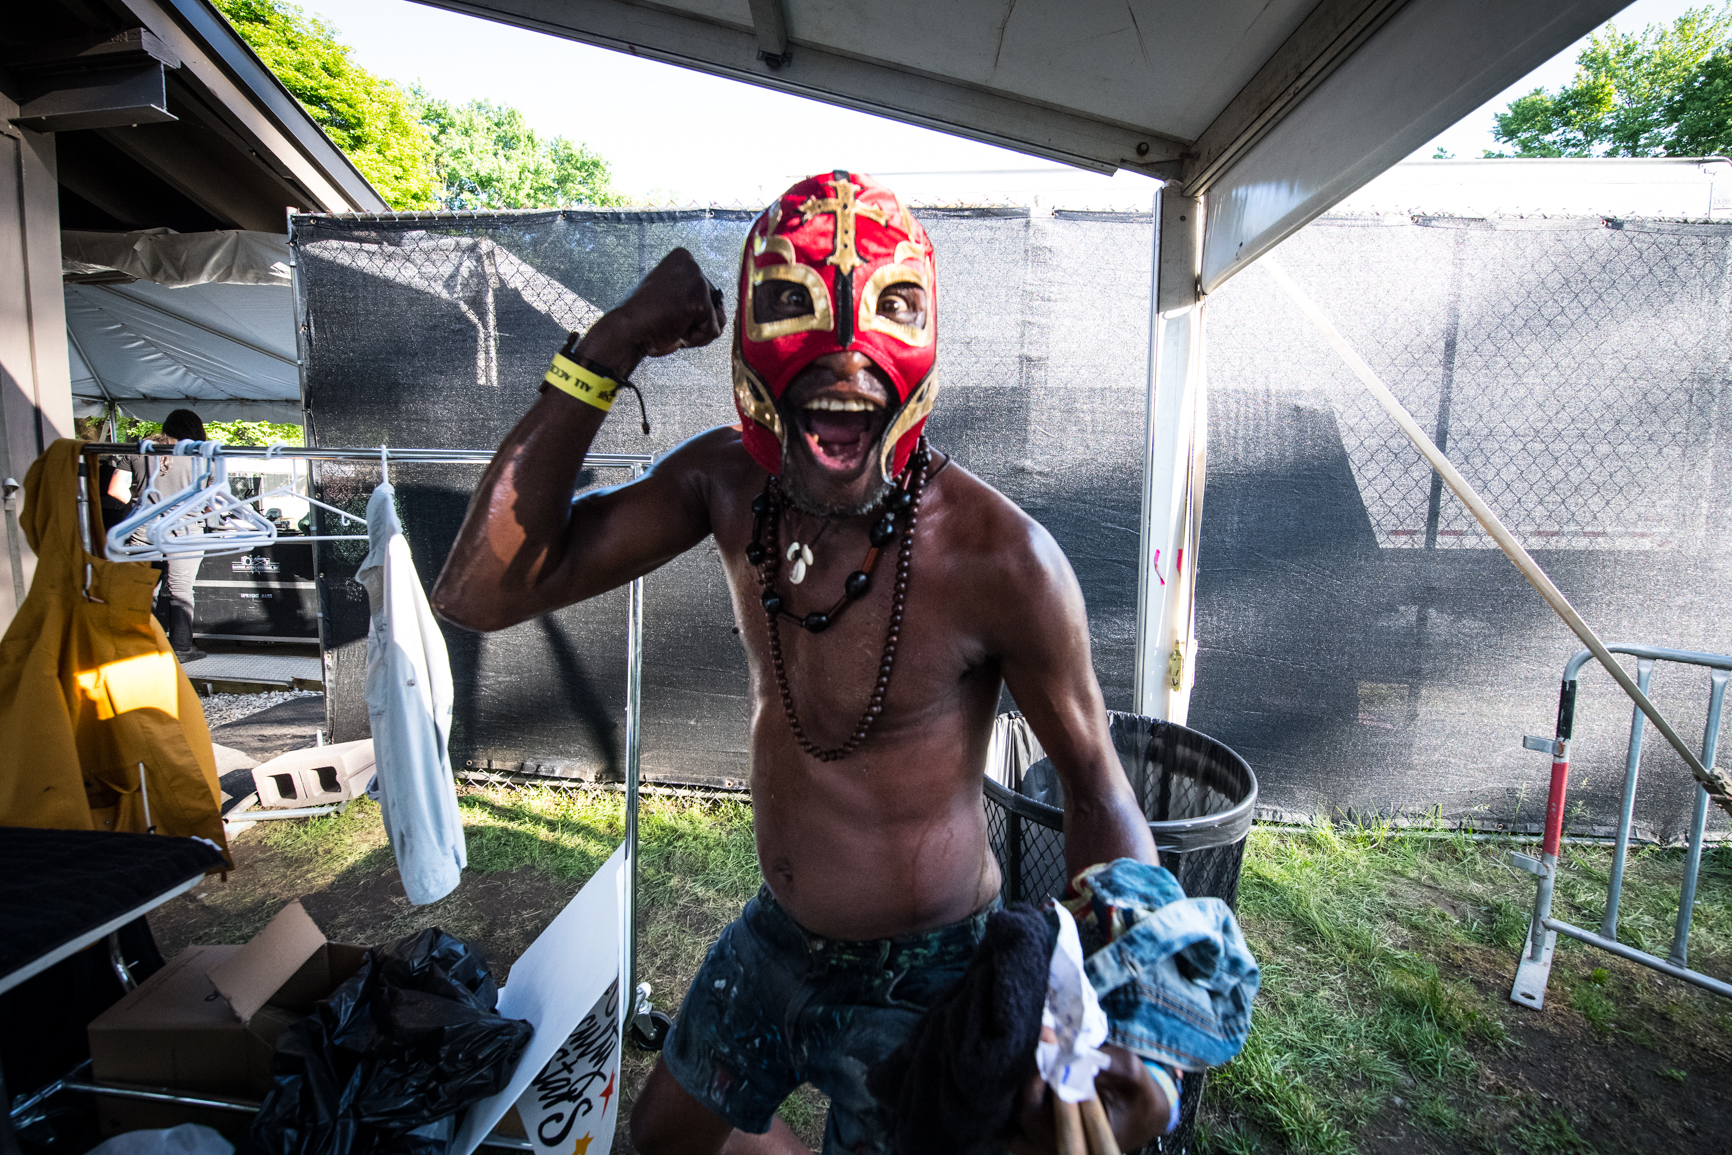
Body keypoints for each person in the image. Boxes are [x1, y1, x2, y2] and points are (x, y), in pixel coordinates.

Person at [433, 172, 1165, 1155]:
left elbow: (1096, 786)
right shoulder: (727, 486)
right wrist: (610, 345)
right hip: (775, 938)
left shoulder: (1005, 558)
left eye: (893, 307)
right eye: (792, 303)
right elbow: (482, 592)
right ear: (746, 343)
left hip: (930, 977)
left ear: (928, 341)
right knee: (659, 1141)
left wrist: (1124, 1019)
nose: (849, 355)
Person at [127, 408, 209, 663]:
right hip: (186, 529)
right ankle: (181, 649)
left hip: (144, 528)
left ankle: (142, 646)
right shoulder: (204, 457)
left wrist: (140, 501)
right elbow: (212, 502)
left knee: (143, 589)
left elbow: (116, 491)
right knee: (181, 591)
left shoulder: (141, 451)